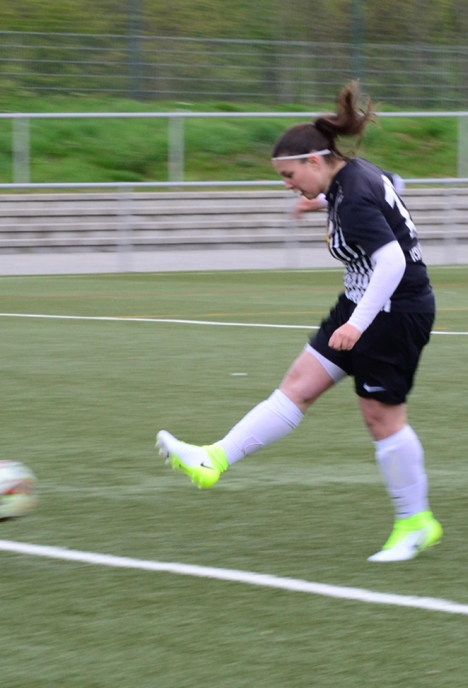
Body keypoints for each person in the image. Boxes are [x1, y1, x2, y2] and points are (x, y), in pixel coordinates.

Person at [156, 81, 441, 563]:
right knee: (299, 385)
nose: (288, 185)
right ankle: (213, 458)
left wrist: (358, 324)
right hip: (362, 302)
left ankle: (416, 523)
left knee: (381, 417)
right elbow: (389, 187)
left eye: (290, 176)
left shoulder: (353, 196)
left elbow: (392, 261)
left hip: (393, 312)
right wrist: (321, 202)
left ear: (315, 161)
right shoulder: (351, 179)